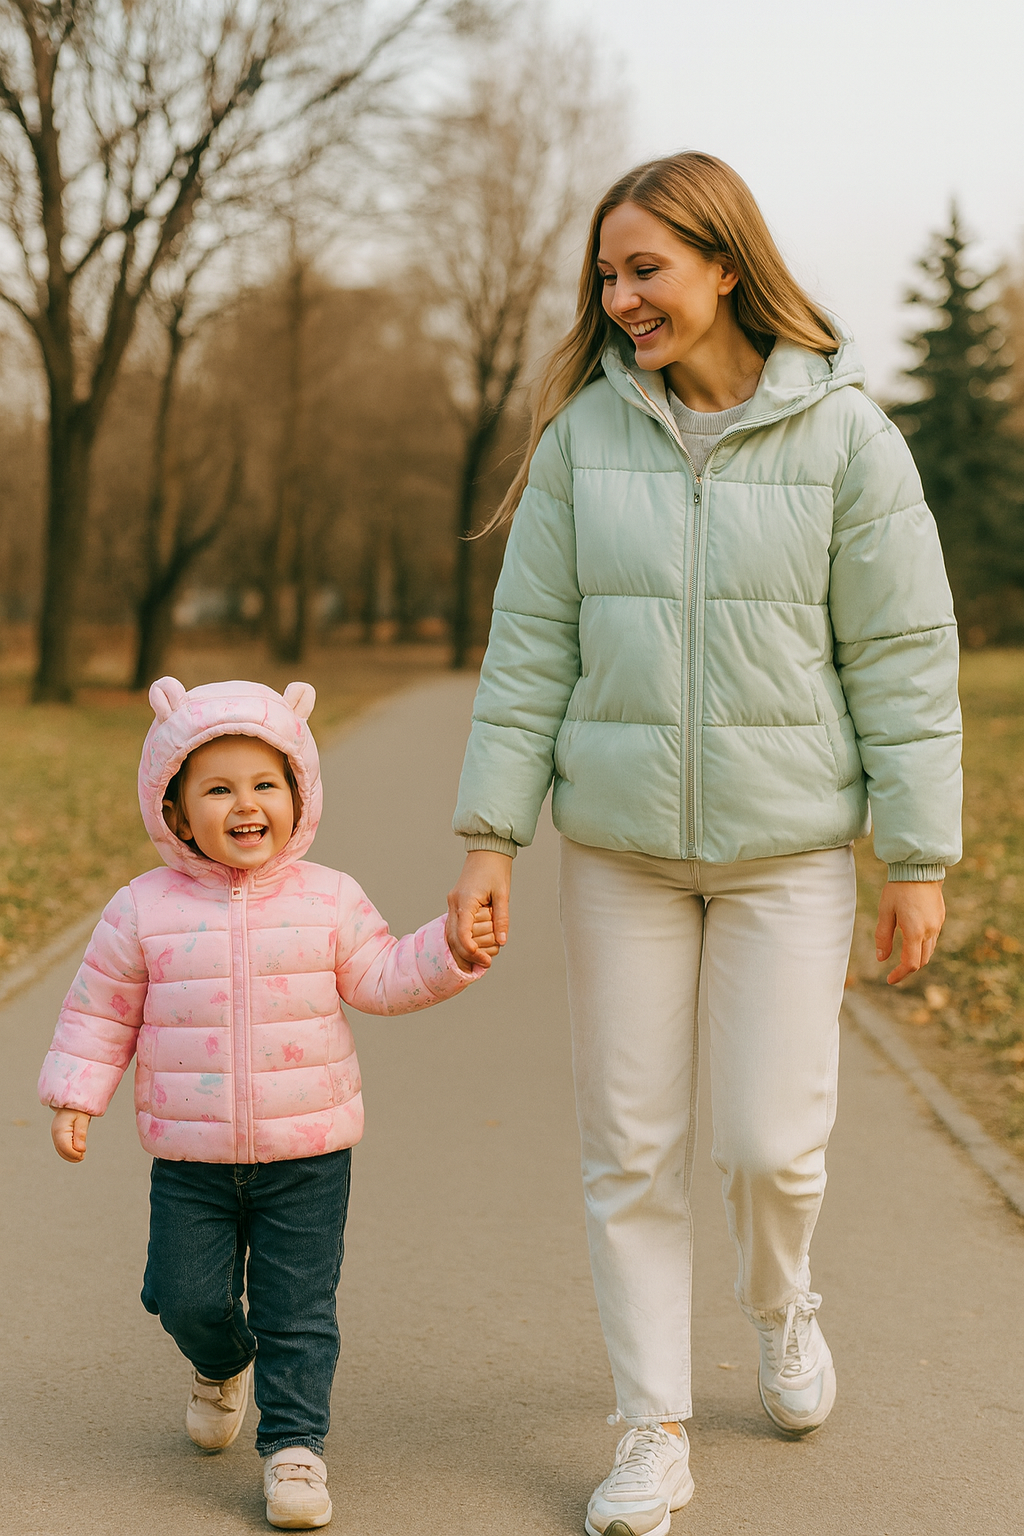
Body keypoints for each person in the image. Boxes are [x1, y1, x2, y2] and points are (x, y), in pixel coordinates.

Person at [446, 151, 961, 1536]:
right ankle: (651, 1429)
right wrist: (492, 836)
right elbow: (530, 651)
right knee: (630, 1147)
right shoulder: (581, 438)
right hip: (620, 850)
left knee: (771, 1147)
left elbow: (905, 656)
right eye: (605, 277)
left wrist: (917, 855)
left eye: (645, 270)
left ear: (727, 265)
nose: (619, 300)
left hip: (788, 848)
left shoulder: (849, 435)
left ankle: (784, 1306)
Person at [40, 677, 496, 1531]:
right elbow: (101, 1009)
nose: (246, 805)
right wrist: (76, 1094)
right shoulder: (142, 909)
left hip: (309, 1153)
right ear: (174, 811)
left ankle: (295, 1447)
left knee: (299, 1310)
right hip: (190, 1158)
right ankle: (221, 1361)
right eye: (217, 788)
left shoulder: (328, 897)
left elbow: (382, 974)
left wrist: (451, 951)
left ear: (299, 795)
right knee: (183, 1298)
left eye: (265, 784)